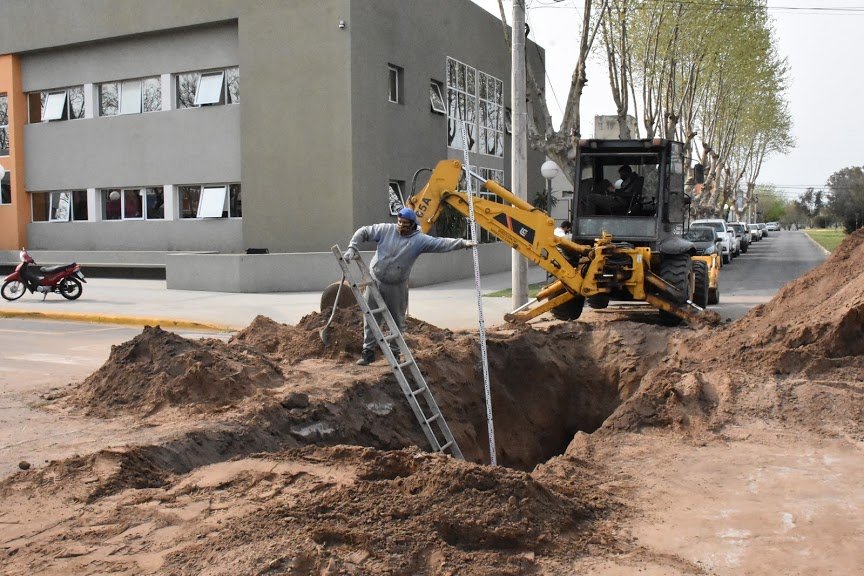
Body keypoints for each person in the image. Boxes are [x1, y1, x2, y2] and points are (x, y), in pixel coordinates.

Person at [344, 206, 475, 366]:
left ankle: (395, 353)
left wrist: (463, 243)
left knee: (396, 320)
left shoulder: (418, 240)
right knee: (370, 316)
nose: (401, 226)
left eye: (405, 223)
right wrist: (352, 247)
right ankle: (368, 352)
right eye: (399, 222)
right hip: (374, 279)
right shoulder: (386, 230)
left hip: (396, 286)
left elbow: (440, 243)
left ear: (412, 225)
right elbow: (364, 232)